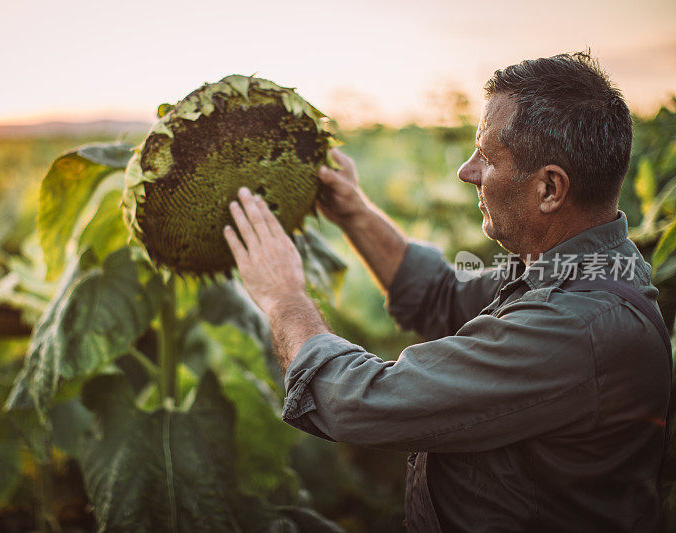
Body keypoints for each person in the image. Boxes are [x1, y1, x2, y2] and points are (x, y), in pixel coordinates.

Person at [222, 52, 672, 531]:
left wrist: (284, 297)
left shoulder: (576, 326)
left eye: (488, 157)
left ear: (549, 189)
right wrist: (354, 212)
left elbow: (354, 403)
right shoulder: (572, 264)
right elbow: (441, 295)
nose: (467, 171)